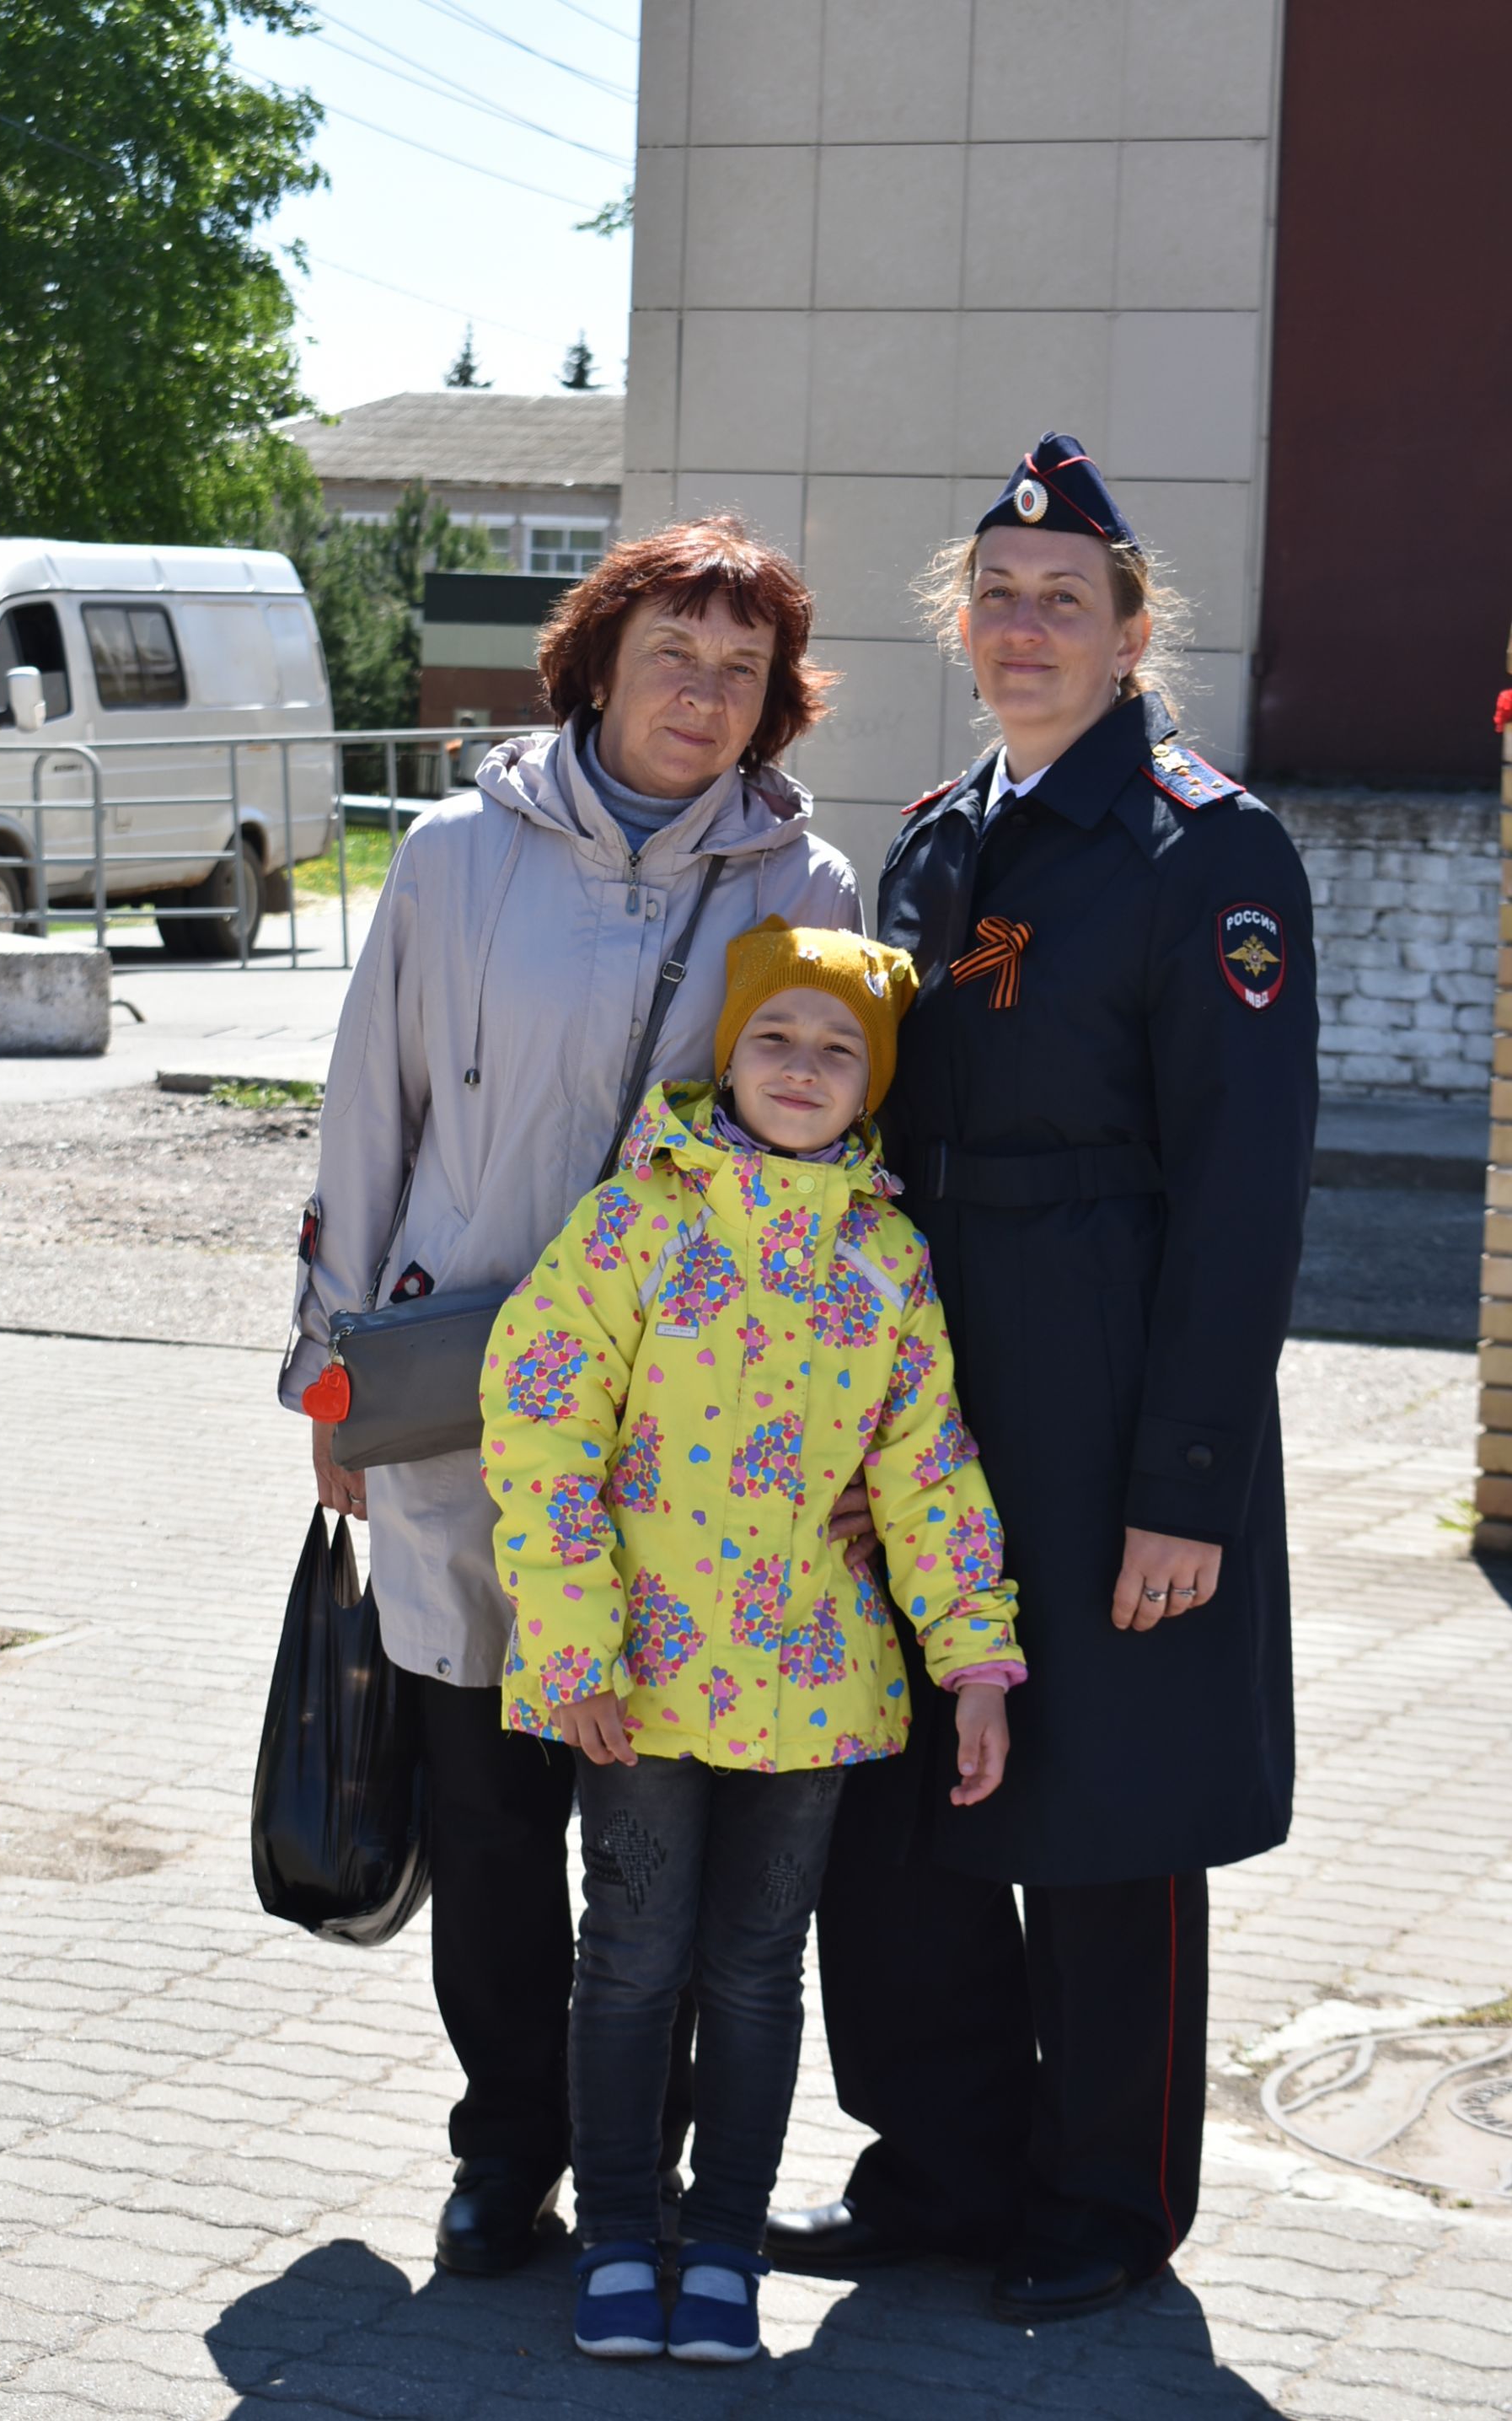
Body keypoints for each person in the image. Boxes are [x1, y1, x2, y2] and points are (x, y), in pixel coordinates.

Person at [767, 433, 1319, 2321]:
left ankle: (1103, 2197)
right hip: (927, 1393)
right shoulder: (935, 837)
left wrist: (1187, 1477)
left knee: (1108, 1800)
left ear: (1134, 627)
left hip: (1106, 1389)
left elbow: (1245, 1194)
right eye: (996, 596)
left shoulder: (1208, 849)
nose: (1024, 628)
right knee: (909, 1787)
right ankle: (942, 2162)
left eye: (1062, 600)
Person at [280, 518, 864, 2276]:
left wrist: (851, 1448)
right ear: (598, 661)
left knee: (660, 1834)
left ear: (775, 705)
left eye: (740, 671)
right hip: (459, 1414)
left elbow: (843, 1162)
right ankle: (505, 2148)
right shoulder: (459, 856)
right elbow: (366, 1113)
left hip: (695, 1457)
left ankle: (646, 2159)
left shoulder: (802, 886)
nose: (703, 694)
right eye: (673, 655)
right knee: (490, 1810)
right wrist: (328, 1377)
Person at [480, 919, 1024, 2363]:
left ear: (873, 1084)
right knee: (634, 1959)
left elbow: (930, 1470)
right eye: (775, 1038)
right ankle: (615, 2233)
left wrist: (975, 1658)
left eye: (838, 1048)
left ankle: (722, 2242)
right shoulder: (635, 1223)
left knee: (755, 1969)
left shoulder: (891, 1260)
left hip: (813, 1691)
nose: (801, 1067)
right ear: (729, 1056)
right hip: (640, 1691)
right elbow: (542, 1426)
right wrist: (576, 1646)